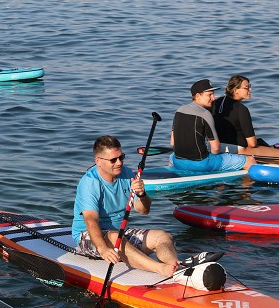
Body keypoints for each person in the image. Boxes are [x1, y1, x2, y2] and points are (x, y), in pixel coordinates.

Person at [72, 135, 179, 276]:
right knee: (114, 236)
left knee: (163, 237)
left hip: (119, 234)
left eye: (121, 157)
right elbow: (90, 220)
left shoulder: (127, 174)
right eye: (113, 160)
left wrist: (142, 194)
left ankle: (175, 266)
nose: (119, 163)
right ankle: (160, 269)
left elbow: (143, 211)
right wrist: (103, 249)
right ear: (98, 161)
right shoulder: (90, 182)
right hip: (89, 237)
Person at [170, 79, 253, 175]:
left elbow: (173, 142)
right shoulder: (205, 114)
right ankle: (245, 189)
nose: (213, 98)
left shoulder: (179, 111)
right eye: (209, 95)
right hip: (201, 164)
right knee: (249, 161)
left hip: (178, 162)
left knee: (172, 156)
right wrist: (215, 160)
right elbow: (216, 148)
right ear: (197, 96)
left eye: (213, 94)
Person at [211, 75, 279, 159]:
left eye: (249, 86)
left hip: (216, 147)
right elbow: (252, 144)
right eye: (246, 87)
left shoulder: (215, 102)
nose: (250, 89)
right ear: (236, 90)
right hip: (236, 150)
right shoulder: (241, 109)